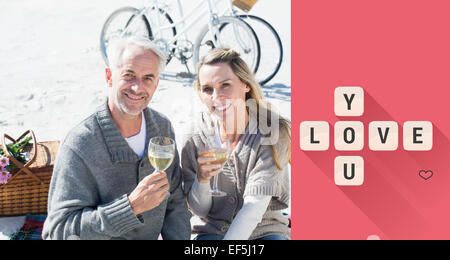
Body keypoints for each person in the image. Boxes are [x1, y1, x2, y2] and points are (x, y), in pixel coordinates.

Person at [42, 36, 191, 240]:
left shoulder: (162, 128)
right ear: (109, 76)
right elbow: (58, 230)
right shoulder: (81, 143)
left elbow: (175, 203)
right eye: (129, 75)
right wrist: (131, 207)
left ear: (156, 84)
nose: (138, 88)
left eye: (148, 78)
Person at [181, 48, 291, 240]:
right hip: (211, 230)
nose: (216, 96)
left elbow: (253, 209)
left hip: (264, 229)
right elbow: (199, 210)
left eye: (225, 85)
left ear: (245, 85)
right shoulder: (194, 137)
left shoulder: (271, 133)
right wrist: (202, 180)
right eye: (208, 89)